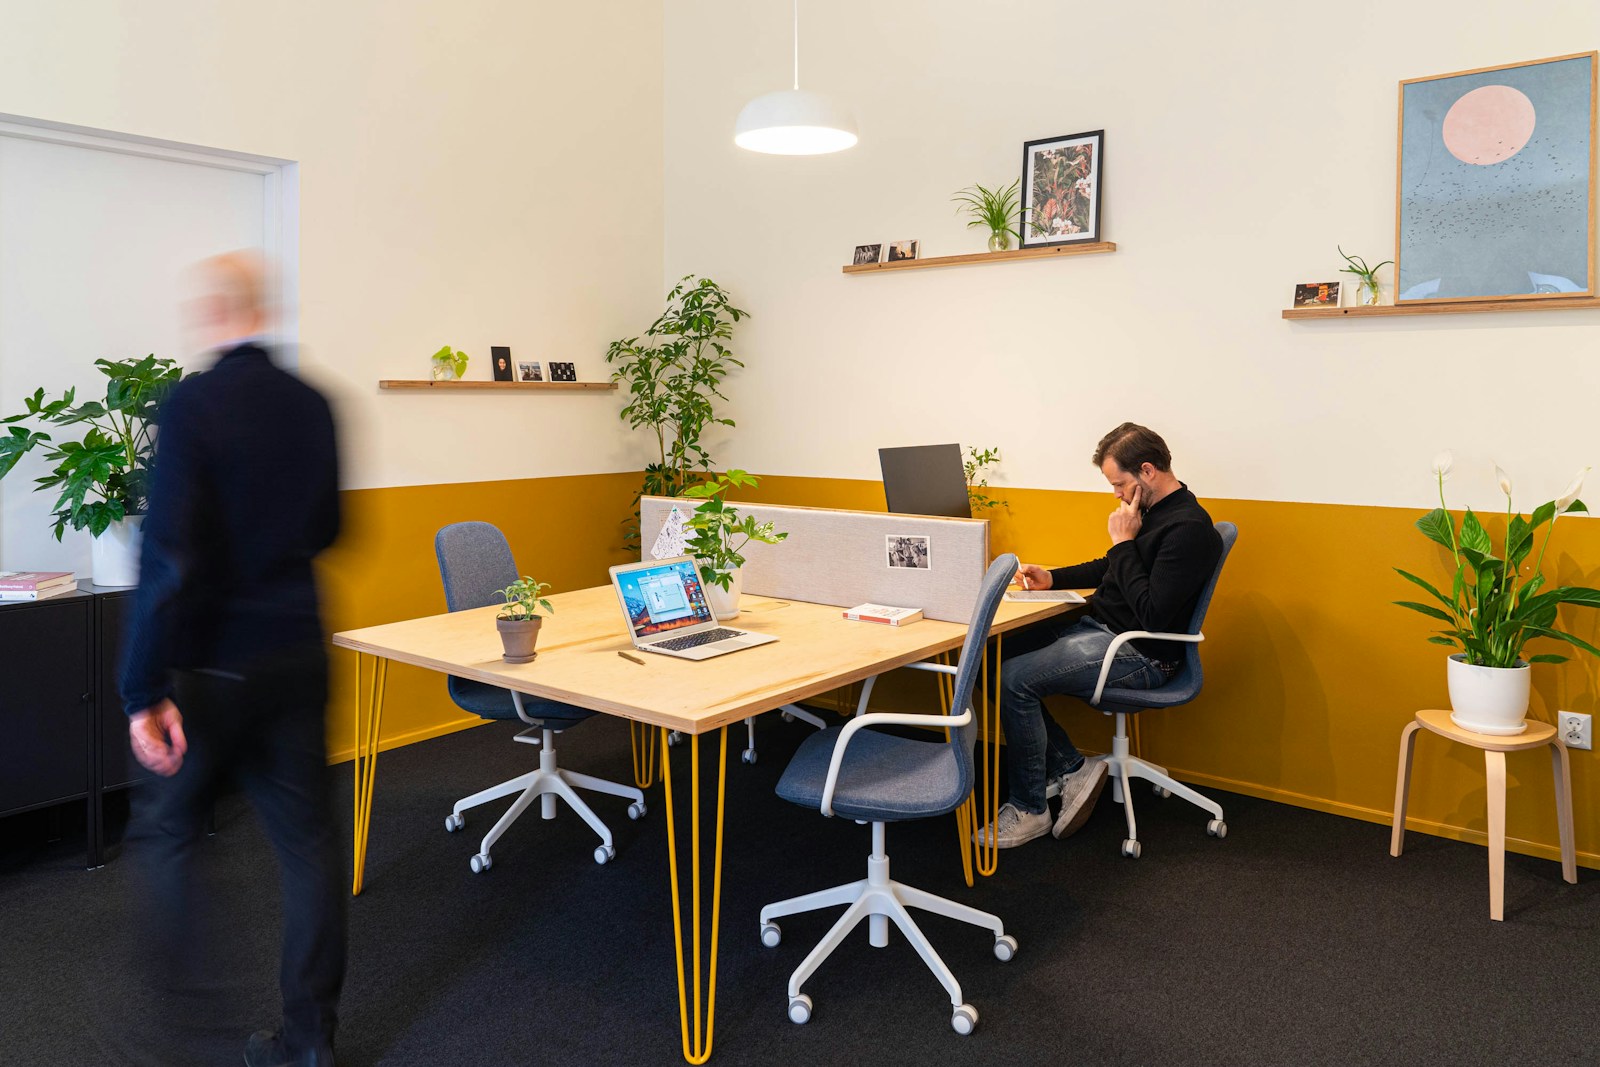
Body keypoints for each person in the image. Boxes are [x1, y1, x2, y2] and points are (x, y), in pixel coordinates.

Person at [121, 251, 345, 1067]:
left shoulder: (193, 404)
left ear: (216, 313)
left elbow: (168, 555)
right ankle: (309, 1044)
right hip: (298, 650)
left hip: (212, 667)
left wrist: (142, 687)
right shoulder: (315, 402)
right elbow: (330, 528)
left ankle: (190, 1034)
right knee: (309, 848)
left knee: (171, 834)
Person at [976, 423, 1222, 849]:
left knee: (1014, 680)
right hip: (1102, 630)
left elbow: (1152, 615)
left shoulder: (1188, 528)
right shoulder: (1152, 512)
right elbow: (1113, 568)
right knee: (988, 657)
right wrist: (1052, 578)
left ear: (1147, 471)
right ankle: (1072, 768)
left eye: (1119, 484)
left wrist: (1124, 542)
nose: (1116, 494)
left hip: (1140, 652)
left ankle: (1031, 808)